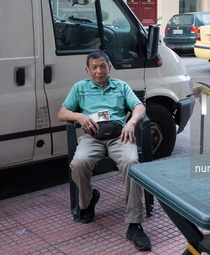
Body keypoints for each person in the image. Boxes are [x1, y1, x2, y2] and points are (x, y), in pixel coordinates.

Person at [58, 50, 151, 251]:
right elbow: (62, 113)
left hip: (120, 136)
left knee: (131, 163)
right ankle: (88, 201)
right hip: (92, 137)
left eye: (102, 66)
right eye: (94, 67)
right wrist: (79, 117)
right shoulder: (80, 88)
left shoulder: (121, 86)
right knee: (78, 163)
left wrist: (131, 123)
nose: (99, 71)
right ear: (87, 70)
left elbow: (139, 107)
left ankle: (134, 224)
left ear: (109, 67)